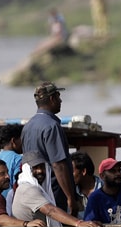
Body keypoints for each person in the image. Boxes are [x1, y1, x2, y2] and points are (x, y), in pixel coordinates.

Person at [21, 82, 78, 216]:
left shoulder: (27, 127)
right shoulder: (52, 126)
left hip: (33, 192)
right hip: (54, 193)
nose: (61, 100)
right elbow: (58, 165)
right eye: (58, 96)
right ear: (52, 99)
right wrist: (70, 197)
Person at [12, 151, 100, 227]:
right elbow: (51, 211)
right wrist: (79, 223)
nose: (40, 171)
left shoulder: (40, 189)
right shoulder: (28, 189)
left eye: (42, 167)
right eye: (35, 168)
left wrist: (87, 223)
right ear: (27, 169)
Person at [83, 158, 121, 224]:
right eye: (113, 171)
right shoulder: (95, 198)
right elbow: (90, 224)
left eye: (119, 170)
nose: (118, 174)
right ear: (102, 176)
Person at [0, 124, 23, 199]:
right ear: (13, 141)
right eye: (22, 140)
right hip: (10, 202)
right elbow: (17, 185)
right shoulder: (18, 159)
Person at [71, 151, 102, 219]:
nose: (69, 175)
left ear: (83, 171)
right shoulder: (70, 192)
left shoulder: (105, 189)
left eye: (72, 171)